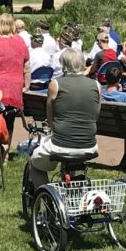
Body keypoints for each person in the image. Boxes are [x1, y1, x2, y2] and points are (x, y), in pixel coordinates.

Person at [29, 48, 100, 187]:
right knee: (70, 160)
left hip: (61, 143)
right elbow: (95, 115)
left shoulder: (55, 84)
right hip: (89, 144)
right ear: (82, 63)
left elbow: (50, 116)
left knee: (35, 164)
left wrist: (52, 128)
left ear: (63, 64)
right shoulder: (96, 85)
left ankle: (45, 198)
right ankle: (69, 191)